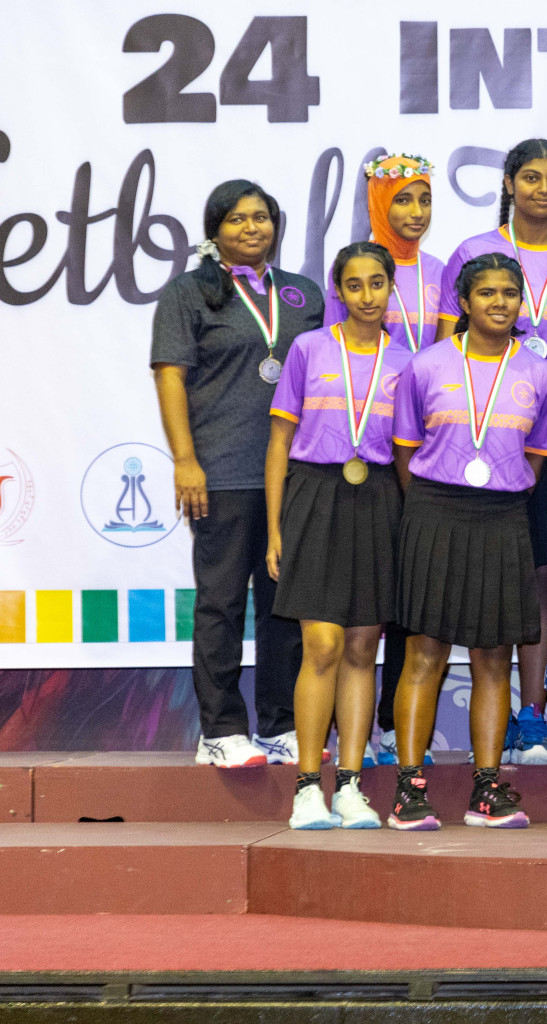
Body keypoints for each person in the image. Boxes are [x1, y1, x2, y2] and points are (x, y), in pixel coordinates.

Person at [386, 254, 547, 830]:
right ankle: (409, 789)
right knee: (425, 653)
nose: (500, 302)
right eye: (486, 292)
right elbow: (406, 450)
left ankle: (487, 789)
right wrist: (433, 505)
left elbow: (538, 455)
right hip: (434, 512)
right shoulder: (426, 365)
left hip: (505, 515)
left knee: (493, 659)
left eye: (510, 293)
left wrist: (502, 492)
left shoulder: (538, 372)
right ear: (463, 302)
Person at [150, 180, 320, 769]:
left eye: (262, 218)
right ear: (214, 229)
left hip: (296, 477)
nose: (252, 229)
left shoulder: (302, 294)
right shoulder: (190, 292)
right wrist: (185, 460)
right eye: (238, 219)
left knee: (285, 605)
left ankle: (278, 724)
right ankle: (220, 729)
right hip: (220, 472)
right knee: (221, 602)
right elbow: (169, 375)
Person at [438, 139, 547, 768]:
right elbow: (447, 345)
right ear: (508, 183)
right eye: (531, 177)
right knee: (497, 574)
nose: (543, 189)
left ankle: (535, 715)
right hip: (491, 436)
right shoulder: (473, 253)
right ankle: (498, 713)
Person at [267, 242, 410, 828]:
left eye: (378, 283)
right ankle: (307, 787)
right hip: (314, 495)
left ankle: (350, 785)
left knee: (361, 646)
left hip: (379, 499)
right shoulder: (307, 348)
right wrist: (275, 527)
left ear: (390, 288)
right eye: (355, 285)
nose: (367, 295)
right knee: (321, 644)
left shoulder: (408, 362)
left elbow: (412, 453)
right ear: (338, 291)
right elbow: (279, 442)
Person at [323, 153, 444, 769]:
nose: (415, 213)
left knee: (407, 589)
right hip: (361, 451)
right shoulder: (356, 266)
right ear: (378, 203)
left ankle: (396, 730)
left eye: (424, 199)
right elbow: (334, 357)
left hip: (425, 449)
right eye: (402, 199)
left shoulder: (442, 271)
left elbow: (451, 356)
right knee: (348, 598)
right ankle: (344, 732)